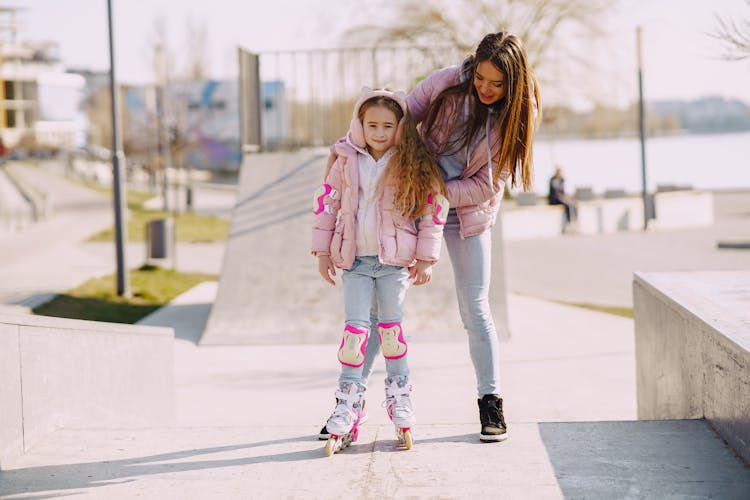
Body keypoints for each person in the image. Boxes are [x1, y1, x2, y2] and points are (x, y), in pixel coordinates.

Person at [319, 32, 541, 443]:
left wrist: (437, 193)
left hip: (467, 215)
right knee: (372, 313)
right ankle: (349, 403)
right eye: (481, 79)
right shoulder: (446, 83)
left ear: (514, 81)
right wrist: (355, 150)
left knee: (475, 307)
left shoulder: (517, 116)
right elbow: (399, 115)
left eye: (497, 84)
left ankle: (490, 401)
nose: (486, 90)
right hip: (410, 204)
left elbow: (488, 186)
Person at [311, 89, 449, 444]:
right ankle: (349, 402)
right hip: (355, 261)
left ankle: (400, 397)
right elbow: (328, 203)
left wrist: (426, 257)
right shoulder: (345, 159)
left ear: (400, 126)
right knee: (354, 335)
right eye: (372, 125)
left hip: (394, 264)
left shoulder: (411, 161)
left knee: (391, 331)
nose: (379, 132)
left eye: (388, 126)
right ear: (359, 123)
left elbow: (433, 209)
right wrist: (323, 251)